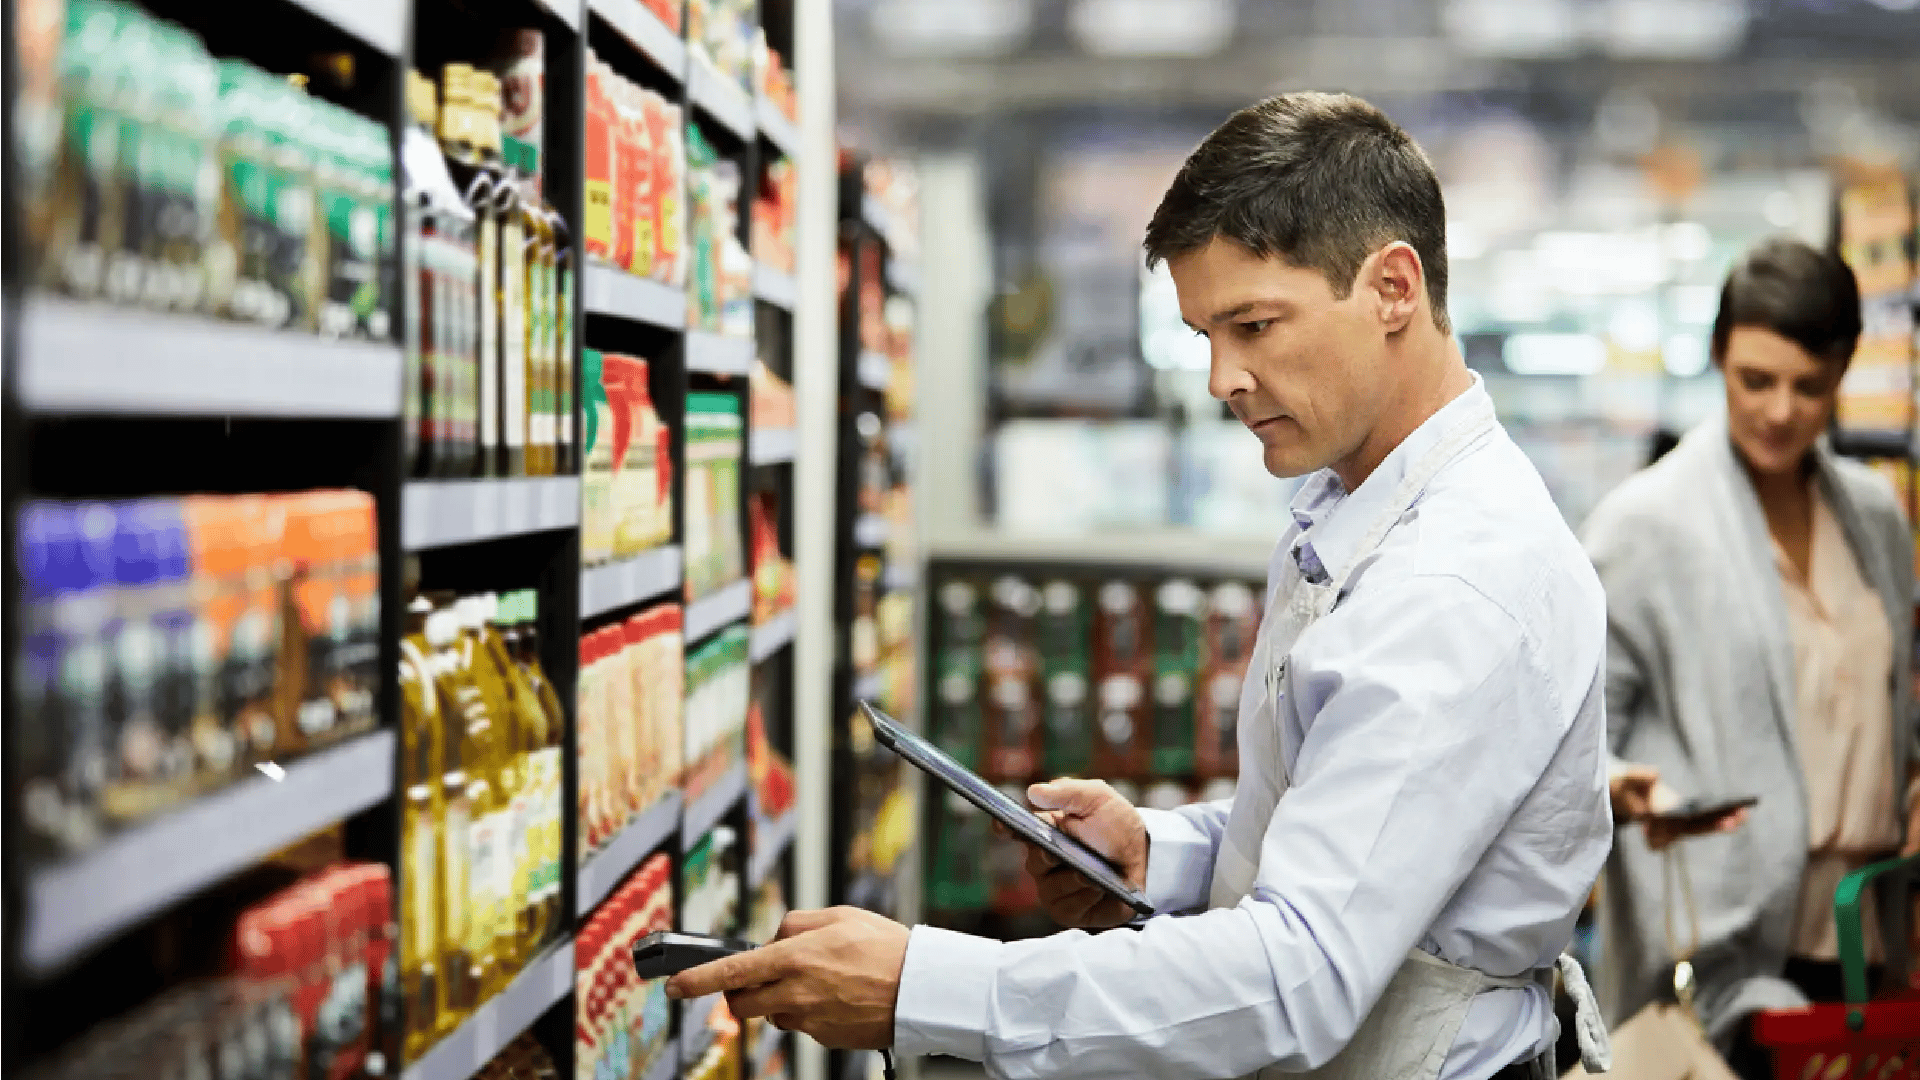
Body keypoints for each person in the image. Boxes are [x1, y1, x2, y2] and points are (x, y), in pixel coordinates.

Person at [667, 92, 1616, 1080]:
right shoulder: (1360, 509)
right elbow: (1357, 834)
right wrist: (1162, 855)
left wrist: (925, 986)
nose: (1221, 379)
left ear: (1391, 288)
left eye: (1254, 325)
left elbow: (1297, 975)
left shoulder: (1452, 579)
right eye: (1206, 335)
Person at [1581, 237, 1920, 1080]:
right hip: (1716, 964)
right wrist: (1629, 787)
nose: (1780, 410)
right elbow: (1574, 737)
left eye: (1810, 386)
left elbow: (1886, 713)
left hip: (1868, 945)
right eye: (1755, 380)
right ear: (1718, 359)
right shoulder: (1647, 525)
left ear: (1843, 373)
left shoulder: (1875, 517)